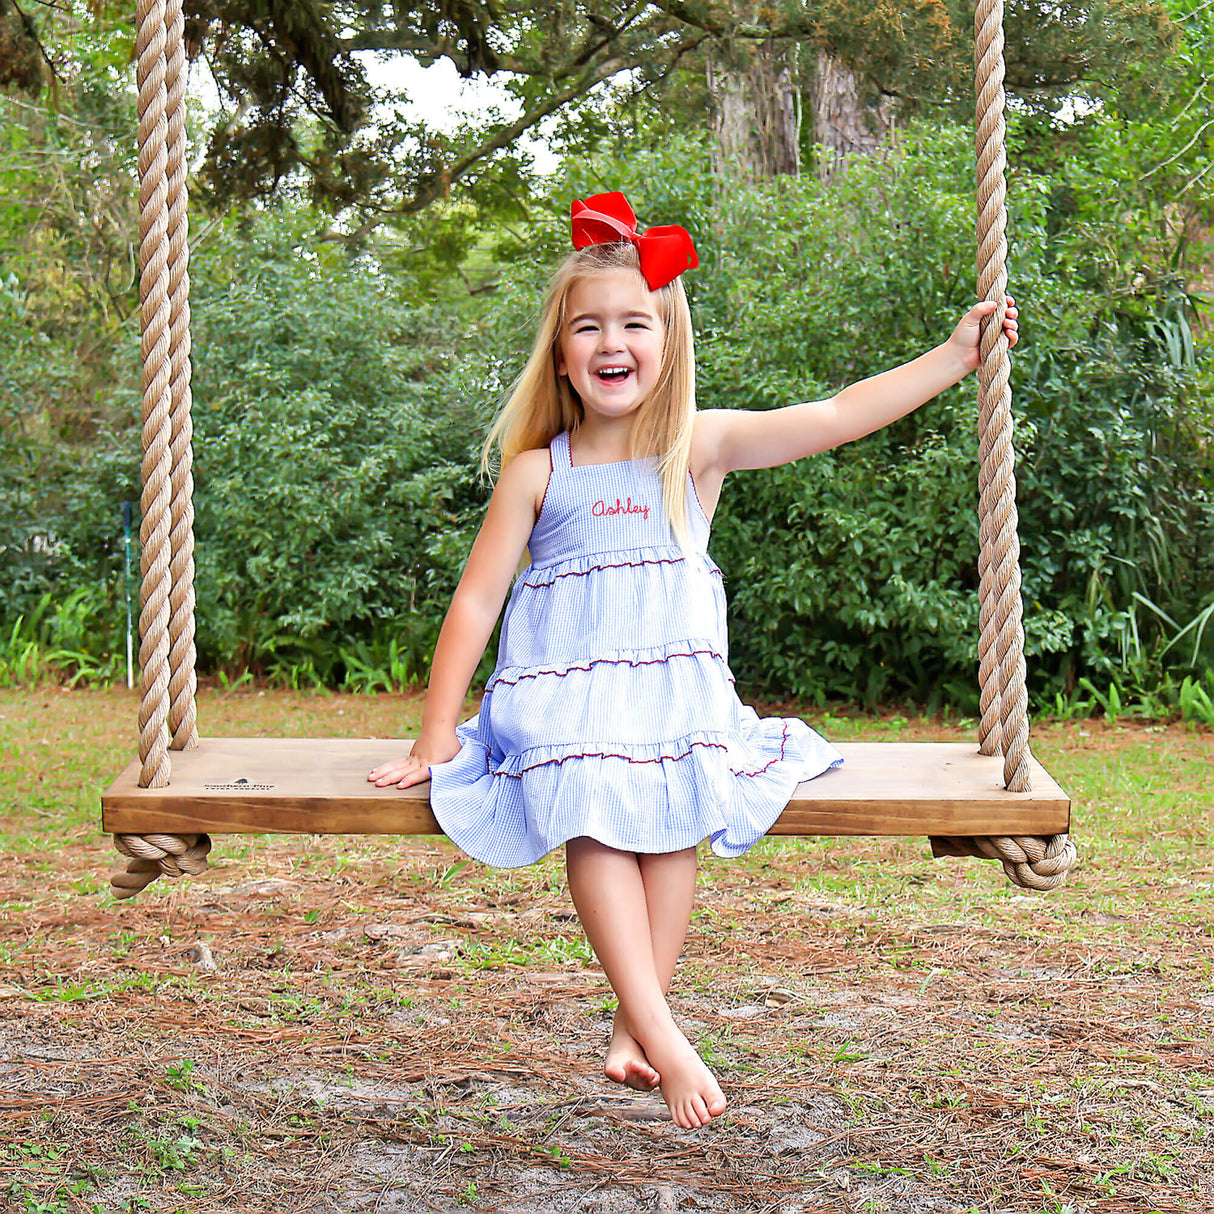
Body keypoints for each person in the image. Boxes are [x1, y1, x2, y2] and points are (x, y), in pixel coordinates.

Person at [369, 192, 1019, 1130]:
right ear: (560, 353)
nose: (610, 341)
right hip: (563, 708)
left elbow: (833, 415)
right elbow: (475, 603)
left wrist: (956, 358)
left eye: (634, 322)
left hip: (672, 699)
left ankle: (638, 1021)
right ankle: (664, 1035)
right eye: (586, 326)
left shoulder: (695, 447)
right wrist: (437, 738)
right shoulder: (538, 471)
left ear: (666, 343)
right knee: (593, 802)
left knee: (676, 808)